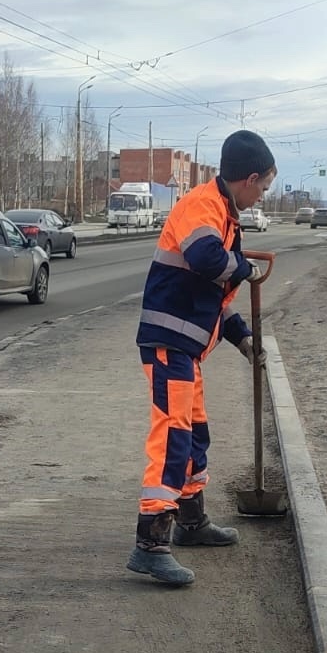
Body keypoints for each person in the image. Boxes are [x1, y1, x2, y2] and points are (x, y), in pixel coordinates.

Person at [126, 129, 276, 586]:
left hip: (187, 350)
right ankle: (150, 543)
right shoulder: (201, 206)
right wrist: (246, 268)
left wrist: (243, 338)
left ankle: (192, 522)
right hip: (169, 344)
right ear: (249, 179)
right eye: (264, 188)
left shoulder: (225, 215)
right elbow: (206, 258)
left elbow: (213, 299)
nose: (262, 197)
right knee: (173, 438)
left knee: (195, 436)